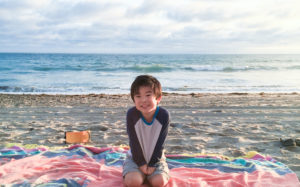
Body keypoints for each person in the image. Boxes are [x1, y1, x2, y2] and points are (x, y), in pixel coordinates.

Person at [123, 75, 170, 187]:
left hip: (156, 158)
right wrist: (141, 164)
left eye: (148, 95)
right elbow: (133, 141)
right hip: (135, 157)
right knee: (133, 182)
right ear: (134, 99)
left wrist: (153, 164)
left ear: (158, 98)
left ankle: (149, 175)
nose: (143, 100)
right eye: (138, 96)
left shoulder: (163, 115)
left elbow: (160, 143)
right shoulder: (132, 114)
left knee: (159, 182)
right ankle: (136, 172)